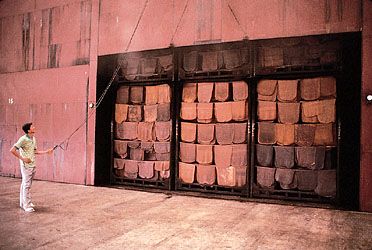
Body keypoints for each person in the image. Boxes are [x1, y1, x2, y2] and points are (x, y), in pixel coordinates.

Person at [10, 122, 53, 212]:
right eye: (32, 126)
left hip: (32, 164)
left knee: (26, 184)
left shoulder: (33, 138)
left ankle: (24, 202)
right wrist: (23, 159)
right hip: (26, 166)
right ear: (29, 130)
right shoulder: (23, 139)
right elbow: (12, 150)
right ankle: (26, 206)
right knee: (26, 185)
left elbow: (35, 152)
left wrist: (46, 152)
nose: (34, 127)